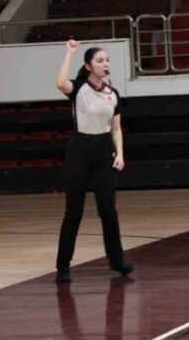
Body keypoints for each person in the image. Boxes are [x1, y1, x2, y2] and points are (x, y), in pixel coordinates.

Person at [54, 40, 133, 283]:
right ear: (88, 66)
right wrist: (70, 53)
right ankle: (63, 266)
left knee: (108, 210)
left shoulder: (113, 94)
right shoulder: (78, 89)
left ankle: (117, 261)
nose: (105, 64)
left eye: (107, 60)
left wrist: (119, 153)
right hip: (79, 151)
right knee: (73, 211)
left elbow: (116, 129)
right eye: (99, 60)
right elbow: (59, 83)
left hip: (103, 153)